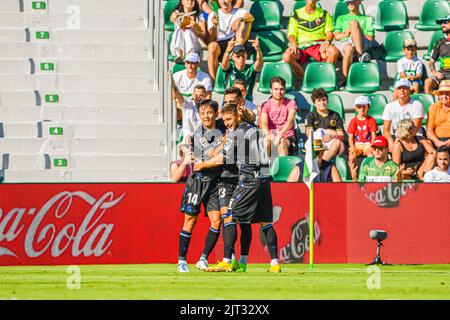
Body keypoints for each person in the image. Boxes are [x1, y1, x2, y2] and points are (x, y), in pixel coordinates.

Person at [203, 103, 280, 273]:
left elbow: (222, 159)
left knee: (229, 217)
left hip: (249, 180)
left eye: (229, 119)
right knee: (265, 222)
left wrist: (202, 164)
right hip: (264, 179)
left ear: (237, 116)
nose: (227, 123)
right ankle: (275, 263)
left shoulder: (235, 134)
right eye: (224, 120)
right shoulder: (255, 128)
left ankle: (226, 261)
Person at [177, 100, 224, 272]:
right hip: (197, 182)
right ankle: (182, 260)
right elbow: (208, 159)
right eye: (203, 113)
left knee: (217, 220)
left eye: (209, 112)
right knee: (190, 220)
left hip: (214, 184)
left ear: (216, 113)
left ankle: (203, 258)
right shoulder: (198, 135)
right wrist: (224, 146)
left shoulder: (222, 128)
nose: (206, 116)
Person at [282, 0, 339, 79]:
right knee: (286, 56)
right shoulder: (296, 14)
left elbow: (329, 33)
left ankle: (325, 77)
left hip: (319, 45)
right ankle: (307, 79)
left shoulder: (324, 14)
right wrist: (293, 44)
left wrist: (327, 41)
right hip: (301, 46)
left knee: (334, 51)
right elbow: (291, 34)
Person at [207, 0, 254, 80]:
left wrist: (240, 19)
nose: (224, 1)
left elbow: (251, 17)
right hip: (220, 45)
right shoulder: (213, 15)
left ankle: (236, 51)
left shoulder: (239, 11)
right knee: (212, 46)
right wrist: (214, 27)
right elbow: (212, 40)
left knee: (246, 23)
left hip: (236, 42)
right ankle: (214, 81)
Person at [333, 0, 374, 86]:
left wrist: (356, 31)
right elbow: (336, 36)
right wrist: (346, 33)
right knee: (348, 48)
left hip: (362, 43)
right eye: (348, 3)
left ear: (359, 2)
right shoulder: (341, 18)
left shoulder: (367, 19)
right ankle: (347, 78)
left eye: (352, 1)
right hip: (345, 43)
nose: (350, 4)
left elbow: (370, 38)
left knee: (354, 23)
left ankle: (360, 55)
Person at [260, 77, 298, 157]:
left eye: (281, 89)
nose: (279, 92)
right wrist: (269, 136)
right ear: (271, 90)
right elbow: (264, 123)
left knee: (282, 142)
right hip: (271, 135)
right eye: (276, 89)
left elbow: (290, 121)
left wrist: (279, 136)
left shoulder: (291, 103)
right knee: (266, 141)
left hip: (287, 136)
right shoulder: (266, 105)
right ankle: (267, 165)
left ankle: (282, 168)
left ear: (284, 90)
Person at [382, 79, 424, 150]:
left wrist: (400, 141)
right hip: (397, 136)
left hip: (414, 136)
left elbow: (415, 128)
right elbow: (386, 129)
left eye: (405, 88)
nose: (402, 90)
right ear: (395, 91)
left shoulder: (417, 105)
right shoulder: (389, 106)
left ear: (410, 90)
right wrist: (391, 141)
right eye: (399, 88)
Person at [305, 88, 345, 161]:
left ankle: (321, 163)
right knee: (315, 139)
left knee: (337, 142)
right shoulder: (311, 116)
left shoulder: (335, 115)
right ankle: (321, 164)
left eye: (324, 99)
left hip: (332, 143)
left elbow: (341, 135)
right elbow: (309, 134)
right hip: (318, 142)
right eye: (318, 100)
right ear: (314, 103)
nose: (322, 103)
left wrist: (332, 135)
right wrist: (327, 131)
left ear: (327, 100)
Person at [424, 15, 450, 94]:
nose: (442, 25)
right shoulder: (440, 42)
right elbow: (431, 62)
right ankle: (432, 106)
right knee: (428, 82)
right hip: (443, 76)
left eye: (445, 22)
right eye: (441, 23)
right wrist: (435, 72)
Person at [347, 95, 378, 163]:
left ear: (368, 107)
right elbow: (350, 137)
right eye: (359, 106)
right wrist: (352, 147)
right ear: (355, 108)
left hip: (368, 144)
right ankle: (353, 172)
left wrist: (372, 146)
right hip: (357, 144)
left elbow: (373, 136)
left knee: (371, 156)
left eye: (364, 106)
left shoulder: (371, 120)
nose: (362, 109)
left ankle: (370, 172)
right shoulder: (353, 121)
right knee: (352, 156)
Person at [426, 80, 450, 147]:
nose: (444, 96)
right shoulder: (433, 107)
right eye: (442, 93)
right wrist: (438, 142)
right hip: (437, 140)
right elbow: (429, 130)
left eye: (447, 93)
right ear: (439, 96)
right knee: (427, 143)